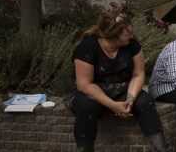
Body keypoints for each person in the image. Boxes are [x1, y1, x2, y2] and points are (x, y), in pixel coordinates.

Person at [72, 8, 169, 152]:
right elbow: (85, 84)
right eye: (127, 33)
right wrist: (112, 105)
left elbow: (138, 74)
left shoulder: (132, 45)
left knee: (145, 102)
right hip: (94, 92)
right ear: (113, 35)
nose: (131, 36)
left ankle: (161, 148)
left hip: (123, 88)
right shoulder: (87, 47)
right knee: (86, 107)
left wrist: (130, 99)